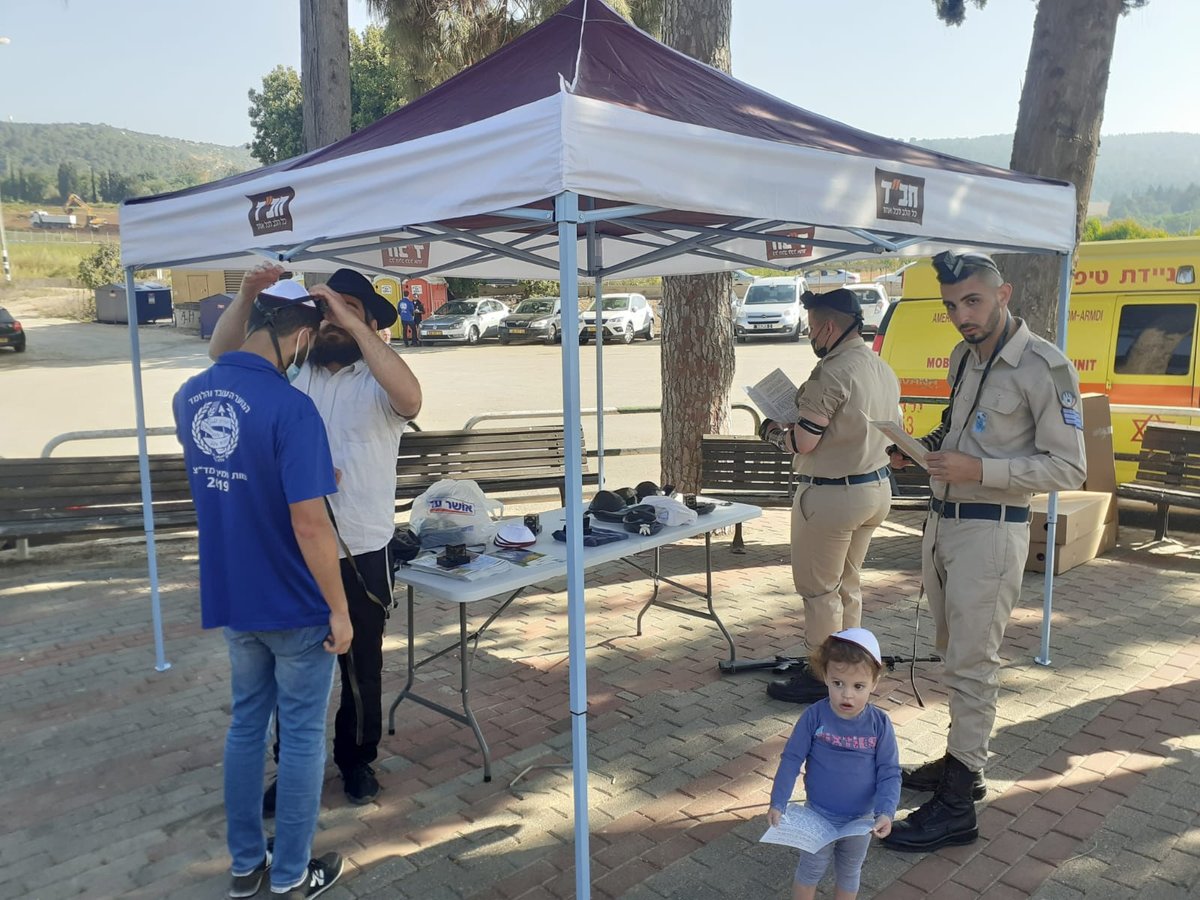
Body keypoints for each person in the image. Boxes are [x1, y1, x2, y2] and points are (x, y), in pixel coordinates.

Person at [882, 251, 1086, 853]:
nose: (961, 316)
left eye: (972, 301)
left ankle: (959, 801)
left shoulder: (1044, 366)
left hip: (993, 530)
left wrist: (982, 469)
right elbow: (957, 428)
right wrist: (920, 450)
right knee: (955, 653)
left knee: (974, 663)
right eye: (950, 306)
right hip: (944, 525)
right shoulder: (963, 358)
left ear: (1004, 294)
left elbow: (1071, 466)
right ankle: (958, 766)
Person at [210, 264, 422, 810]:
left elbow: (413, 398)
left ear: (371, 322)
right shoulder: (292, 372)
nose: (332, 320)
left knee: (361, 668)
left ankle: (357, 762)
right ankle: (295, 769)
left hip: (361, 547)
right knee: (293, 671)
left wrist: (354, 325)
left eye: (349, 309)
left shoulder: (379, 380)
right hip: (293, 550)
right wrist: (245, 297)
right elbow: (221, 357)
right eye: (326, 311)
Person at [173, 279, 349, 898]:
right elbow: (310, 522)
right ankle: (293, 874)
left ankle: (247, 865)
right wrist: (340, 608)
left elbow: (225, 362)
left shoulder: (191, 395)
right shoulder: (292, 408)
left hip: (235, 592)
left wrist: (247, 292)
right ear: (301, 334)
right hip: (294, 601)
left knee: (246, 726)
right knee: (301, 736)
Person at [758, 288, 902, 704]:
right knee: (848, 586)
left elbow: (803, 441)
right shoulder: (880, 367)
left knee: (820, 592)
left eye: (811, 328)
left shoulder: (832, 372)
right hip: (874, 488)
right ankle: (852, 670)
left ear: (827, 326)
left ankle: (823, 677)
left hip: (832, 495)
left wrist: (772, 432)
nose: (810, 336)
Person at [768, 628, 900, 900]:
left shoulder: (879, 724)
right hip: (818, 813)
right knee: (810, 869)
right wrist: (778, 801)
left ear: (874, 683)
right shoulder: (814, 716)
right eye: (837, 683)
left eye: (858, 686)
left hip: (861, 819)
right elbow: (791, 759)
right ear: (825, 676)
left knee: (850, 871)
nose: (846, 695)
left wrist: (886, 812)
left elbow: (889, 772)